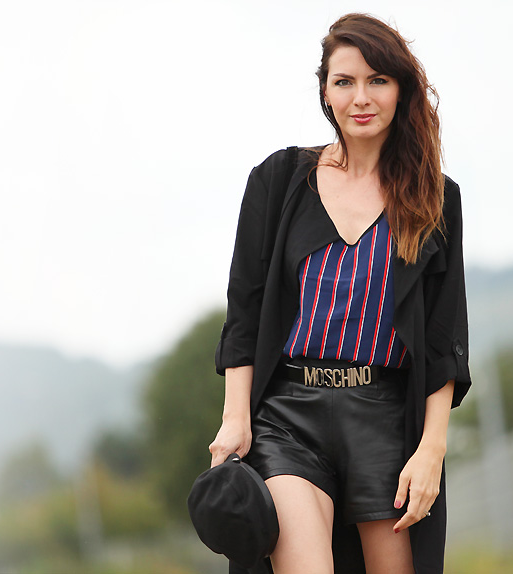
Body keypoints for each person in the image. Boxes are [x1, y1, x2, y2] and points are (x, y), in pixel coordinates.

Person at [209, 13, 471, 574]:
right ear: (325, 91)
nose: (361, 97)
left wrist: (432, 449)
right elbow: (244, 312)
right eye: (345, 81)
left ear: (401, 90)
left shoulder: (435, 199)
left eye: (378, 80)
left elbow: (443, 340)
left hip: (387, 420)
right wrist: (235, 418)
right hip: (288, 418)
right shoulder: (278, 180)